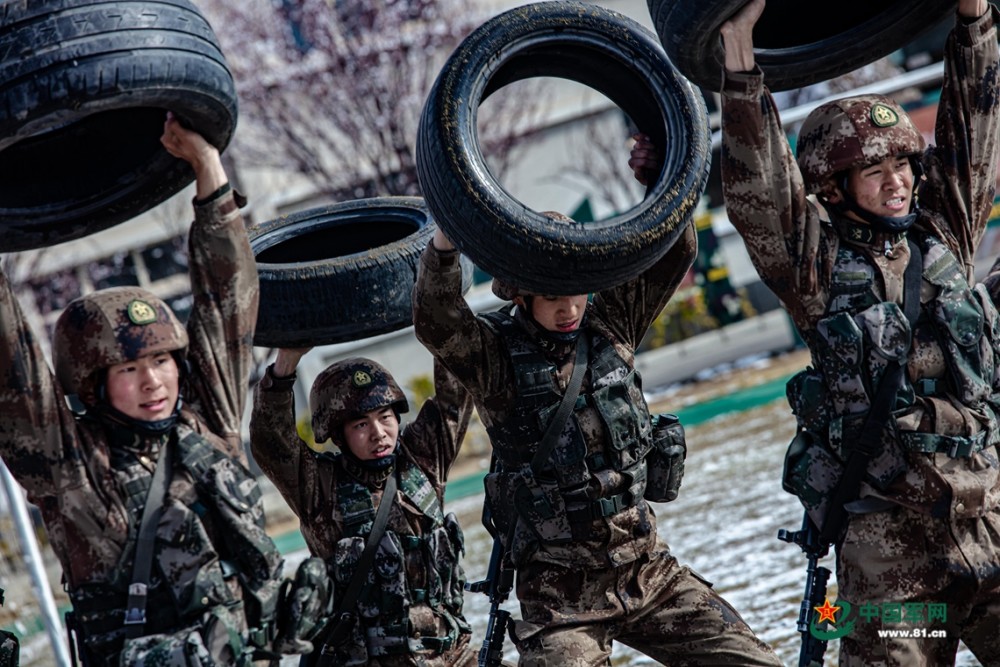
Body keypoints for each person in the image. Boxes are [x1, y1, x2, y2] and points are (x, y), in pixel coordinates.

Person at [703, 0, 1000, 662]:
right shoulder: (816, 266)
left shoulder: (942, 232)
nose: (897, 183)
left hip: (987, 515)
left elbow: (972, 131)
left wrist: (975, 21)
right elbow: (762, 191)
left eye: (903, 166)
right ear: (836, 185)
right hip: (893, 557)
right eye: (875, 170)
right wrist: (742, 64)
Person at [411, 198, 781, 662]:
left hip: (648, 573)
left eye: (577, 291)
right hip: (563, 601)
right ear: (522, 297)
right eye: (551, 297)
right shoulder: (495, 359)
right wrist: (446, 237)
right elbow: (435, 317)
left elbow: (676, 248)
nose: (569, 308)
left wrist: (659, 181)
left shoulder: (612, 324)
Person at [0, 113, 285, 665]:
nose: (153, 381)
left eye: (161, 360)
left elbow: (226, 303)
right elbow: (13, 366)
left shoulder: (209, 423)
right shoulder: (74, 468)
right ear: (95, 385)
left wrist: (207, 166)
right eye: (129, 370)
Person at [249, 348, 477, 666]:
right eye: (360, 425)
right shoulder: (318, 488)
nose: (379, 433)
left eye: (385, 418)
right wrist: (285, 366)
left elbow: (456, 387)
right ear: (338, 435)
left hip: (452, 656)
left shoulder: (422, 461)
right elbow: (271, 441)